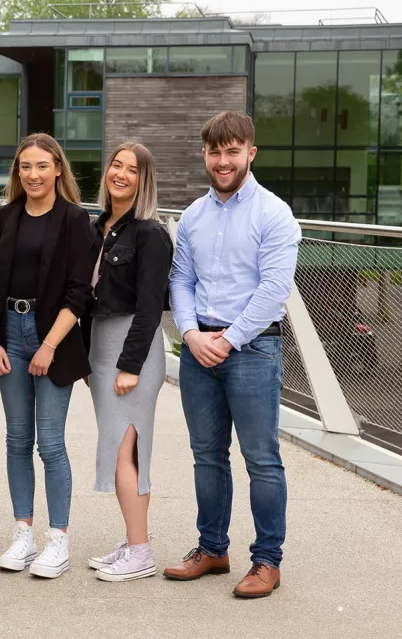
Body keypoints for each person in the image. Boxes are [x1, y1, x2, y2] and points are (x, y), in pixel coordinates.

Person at [164, 110, 301, 599]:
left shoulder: (274, 213)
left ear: (250, 153)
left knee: (261, 459)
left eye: (233, 151)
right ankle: (212, 549)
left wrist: (228, 339)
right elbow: (180, 280)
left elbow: (274, 288)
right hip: (199, 347)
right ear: (205, 154)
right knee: (206, 456)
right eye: (215, 152)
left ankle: (267, 561)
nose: (223, 161)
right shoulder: (194, 216)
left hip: (253, 348)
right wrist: (189, 332)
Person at [0, 134, 93, 579]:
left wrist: (48, 345)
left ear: (58, 169)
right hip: (9, 333)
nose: (33, 174)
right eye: (25, 166)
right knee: (15, 441)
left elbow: (79, 293)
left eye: (42, 166)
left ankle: (57, 541)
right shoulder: (6, 217)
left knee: (50, 443)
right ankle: (22, 535)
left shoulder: (74, 220)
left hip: (55, 338)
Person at [83, 142, 173, 583]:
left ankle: (140, 553)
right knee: (117, 449)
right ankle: (134, 539)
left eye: (131, 169)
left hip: (131, 348)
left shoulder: (150, 233)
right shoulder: (99, 227)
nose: (120, 174)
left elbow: (151, 305)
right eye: (115, 165)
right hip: (102, 346)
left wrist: (130, 365)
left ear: (144, 180)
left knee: (128, 450)